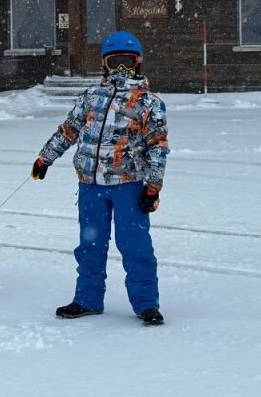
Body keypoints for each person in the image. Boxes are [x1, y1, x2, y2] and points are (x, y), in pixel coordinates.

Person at [31, 31, 169, 326]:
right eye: (115, 62)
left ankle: (146, 304)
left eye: (127, 63)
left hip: (128, 185)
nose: (121, 70)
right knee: (90, 244)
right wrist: (46, 158)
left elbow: (157, 146)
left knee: (135, 245)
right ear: (105, 64)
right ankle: (87, 299)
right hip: (91, 185)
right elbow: (69, 129)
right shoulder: (91, 97)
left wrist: (153, 187)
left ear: (138, 63)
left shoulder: (148, 103)